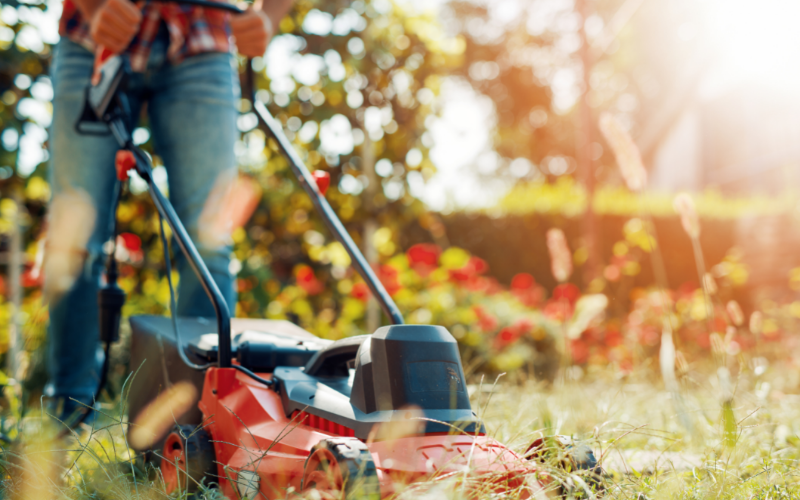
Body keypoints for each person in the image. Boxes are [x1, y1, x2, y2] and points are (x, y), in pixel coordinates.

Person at [46, 0, 292, 421]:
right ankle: (66, 423)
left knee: (207, 239)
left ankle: (201, 424)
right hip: (94, 35)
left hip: (203, 37)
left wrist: (269, 16)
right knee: (76, 238)